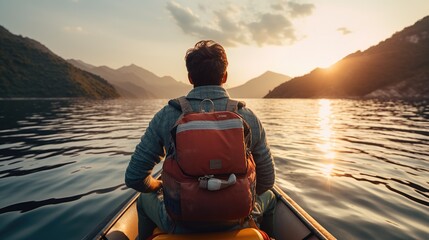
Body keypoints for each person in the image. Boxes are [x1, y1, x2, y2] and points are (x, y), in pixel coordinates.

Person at [125, 40, 276, 239]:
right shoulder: (247, 118)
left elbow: (135, 177)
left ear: (190, 77)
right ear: (225, 76)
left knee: (143, 199)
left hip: (180, 223)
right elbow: (267, 180)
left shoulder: (167, 115)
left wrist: (158, 186)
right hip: (236, 221)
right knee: (271, 197)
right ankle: (256, 231)